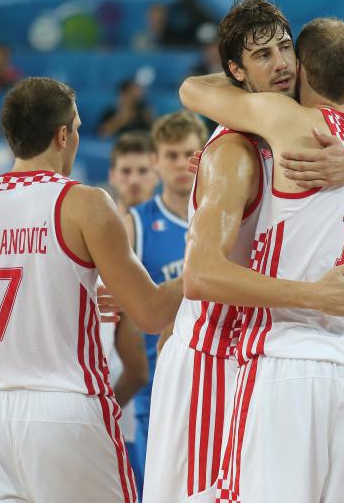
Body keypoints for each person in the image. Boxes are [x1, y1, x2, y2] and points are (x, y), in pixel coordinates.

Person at [143, 0, 344, 503]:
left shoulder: (305, 129)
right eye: (262, 56)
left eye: (285, 49)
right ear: (235, 71)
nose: (279, 64)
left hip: (275, 350)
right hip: (212, 353)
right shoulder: (243, 142)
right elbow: (193, 89)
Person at [0, 77, 185, 502]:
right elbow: (152, 314)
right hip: (65, 409)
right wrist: (205, 266)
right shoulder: (85, 203)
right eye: (79, 129)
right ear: (63, 134)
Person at [125, 110, 205, 495]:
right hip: (157, 390)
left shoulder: (225, 217)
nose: (180, 164)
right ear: (154, 160)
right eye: (171, 155)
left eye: (189, 153)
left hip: (214, 384)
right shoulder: (134, 224)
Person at [104, 131, 162, 496]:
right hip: (109, 378)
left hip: (154, 377)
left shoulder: (178, 227)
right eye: (126, 171)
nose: (134, 180)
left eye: (142, 170)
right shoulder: (90, 231)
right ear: (112, 175)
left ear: (154, 173)